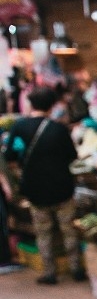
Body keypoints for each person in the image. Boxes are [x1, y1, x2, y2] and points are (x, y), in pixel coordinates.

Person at [1, 85, 83, 285]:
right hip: (62, 186)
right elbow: (72, 156)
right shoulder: (59, 128)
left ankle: (50, 272)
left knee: (43, 231)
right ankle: (76, 269)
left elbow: (9, 154)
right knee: (68, 230)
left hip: (35, 188)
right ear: (52, 105)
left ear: (31, 103)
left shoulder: (19, 127)